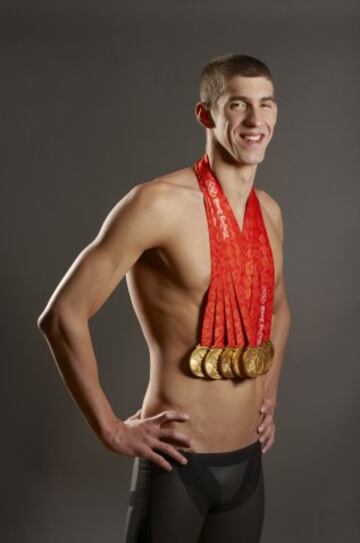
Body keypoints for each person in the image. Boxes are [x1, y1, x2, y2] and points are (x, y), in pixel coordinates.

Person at [37, 53, 291, 542]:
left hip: (247, 466)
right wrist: (111, 429)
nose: (255, 120)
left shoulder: (270, 213)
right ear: (207, 115)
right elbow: (62, 315)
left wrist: (270, 393)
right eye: (238, 105)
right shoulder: (156, 203)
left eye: (266, 104)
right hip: (179, 463)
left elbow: (277, 309)